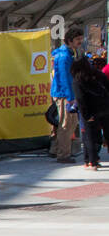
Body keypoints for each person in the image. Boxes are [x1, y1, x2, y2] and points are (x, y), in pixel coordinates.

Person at [70, 56, 109, 169]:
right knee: (107, 133)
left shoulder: (78, 80)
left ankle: (92, 161)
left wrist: (86, 115)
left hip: (91, 111)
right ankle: (92, 160)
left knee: (89, 136)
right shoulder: (98, 74)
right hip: (105, 108)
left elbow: (81, 99)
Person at [49, 26, 80, 164]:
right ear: (70, 40)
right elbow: (64, 78)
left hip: (66, 93)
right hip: (64, 94)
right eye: (78, 39)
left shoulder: (69, 53)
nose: (80, 41)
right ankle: (63, 154)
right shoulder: (64, 56)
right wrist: (70, 98)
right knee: (66, 124)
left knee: (68, 123)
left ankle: (56, 150)